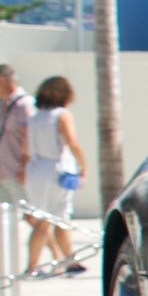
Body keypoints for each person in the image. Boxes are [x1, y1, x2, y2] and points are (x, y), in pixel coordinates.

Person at [25, 76, 89, 276]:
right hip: (56, 168)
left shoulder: (35, 117)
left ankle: (70, 260)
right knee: (55, 217)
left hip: (37, 169)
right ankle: (34, 265)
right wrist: (83, 166)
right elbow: (72, 141)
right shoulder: (62, 115)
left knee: (51, 217)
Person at [0, 64, 33, 206]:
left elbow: (29, 138)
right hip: (1, 173)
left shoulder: (24, 104)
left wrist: (23, 168)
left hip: (17, 172)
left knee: (30, 214)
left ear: (1, 80)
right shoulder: (2, 105)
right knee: (3, 219)